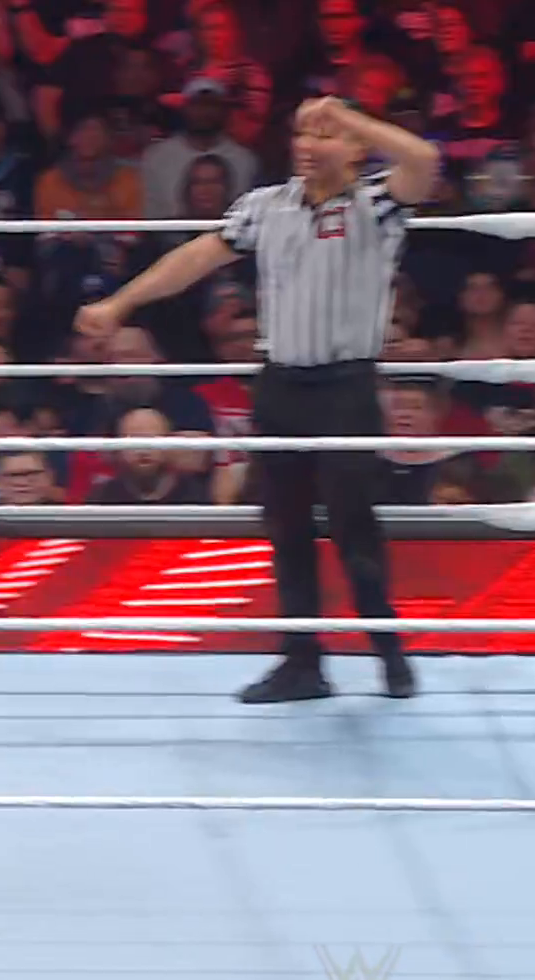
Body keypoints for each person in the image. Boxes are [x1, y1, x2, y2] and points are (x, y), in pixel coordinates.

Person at [76, 96, 437, 704]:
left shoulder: (376, 205)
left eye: (324, 134)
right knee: (286, 526)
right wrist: (120, 303)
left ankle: (388, 649)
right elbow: (194, 258)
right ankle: (301, 662)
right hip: (279, 385)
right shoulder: (264, 206)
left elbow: (424, 160)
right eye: (301, 132)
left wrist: (349, 120)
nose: (307, 144)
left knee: (353, 524)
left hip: (346, 386)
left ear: (355, 147)